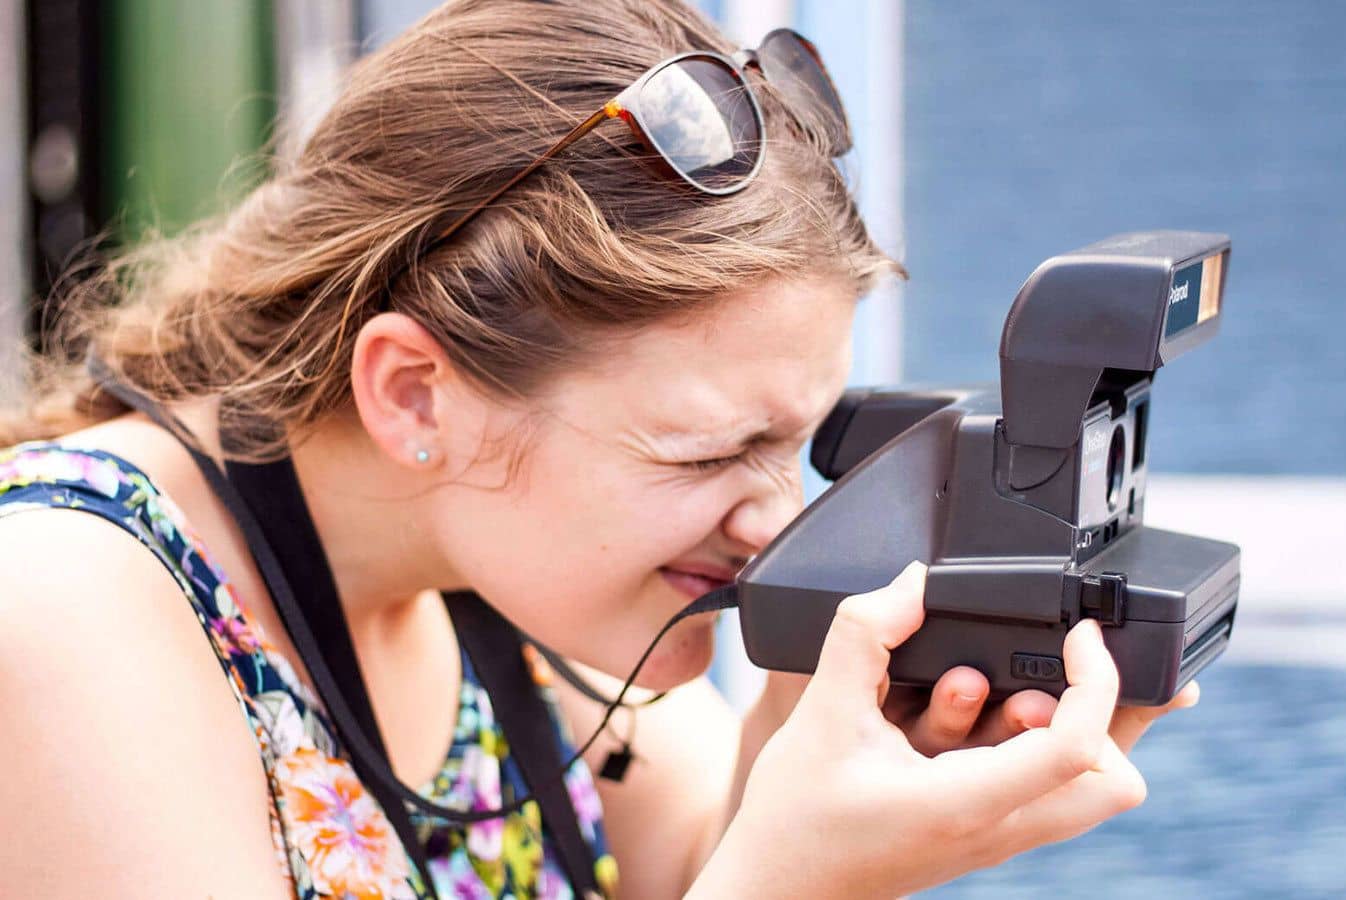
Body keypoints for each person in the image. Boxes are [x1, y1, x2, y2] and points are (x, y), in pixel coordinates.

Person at [0, 1, 1197, 897]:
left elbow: (693, 866)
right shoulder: (58, 605)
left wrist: (823, 740)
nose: (775, 521)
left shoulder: (504, 580)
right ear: (417, 396)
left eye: (799, 447)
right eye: (703, 454)